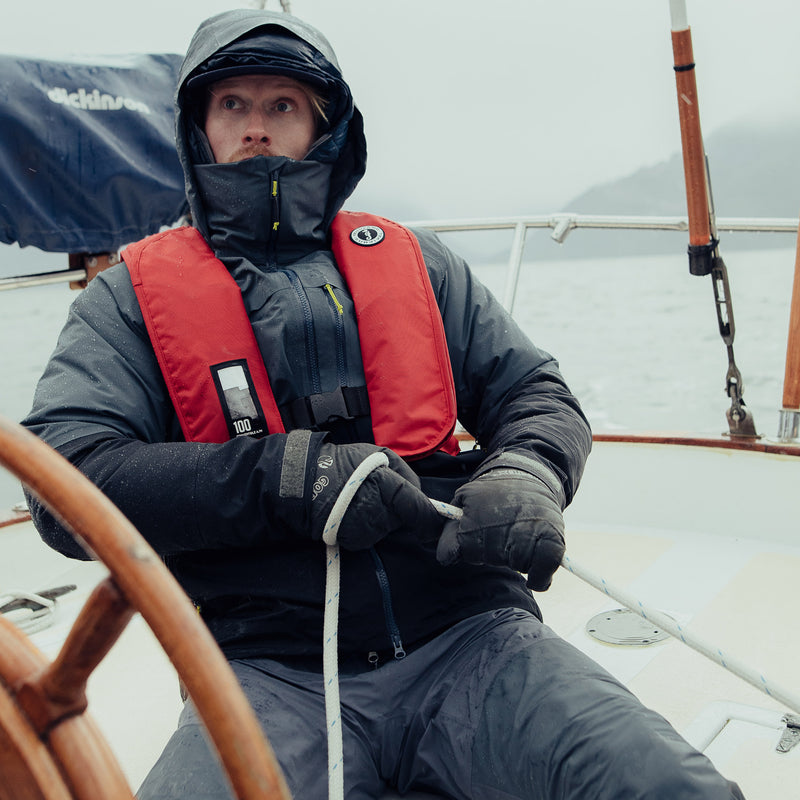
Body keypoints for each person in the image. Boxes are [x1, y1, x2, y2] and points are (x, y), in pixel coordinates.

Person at [23, 8, 744, 800]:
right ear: (198, 128)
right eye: (233, 105)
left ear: (324, 131)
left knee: (673, 787)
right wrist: (286, 478)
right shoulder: (128, 301)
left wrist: (531, 473)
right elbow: (64, 485)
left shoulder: (418, 264)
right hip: (265, 669)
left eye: (283, 107)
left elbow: (536, 394)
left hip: (473, 637)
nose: (257, 129)